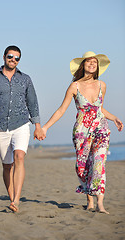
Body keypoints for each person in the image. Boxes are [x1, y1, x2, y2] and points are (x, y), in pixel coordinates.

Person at [41, 51, 124, 214]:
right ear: (83, 65)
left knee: (99, 163)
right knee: (83, 166)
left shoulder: (102, 85)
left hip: (101, 128)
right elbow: (61, 110)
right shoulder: (75, 86)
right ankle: (90, 201)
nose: (92, 64)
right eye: (89, 62)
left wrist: (114, 118)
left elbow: (99, 109)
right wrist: (45, 127)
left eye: (95, 62)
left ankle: (100, 203)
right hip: (81, 131)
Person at [0, 45, 44, 212]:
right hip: (1, 128)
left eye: (16, 58)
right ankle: (11, 196)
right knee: (7, 166)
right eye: (10, 56)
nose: (13, 60)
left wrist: (37, 126)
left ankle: (16, 199)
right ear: (4, 57)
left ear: (19, 60)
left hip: (21, 125)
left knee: (19, 157)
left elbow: (33, 103)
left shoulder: (26, 79)